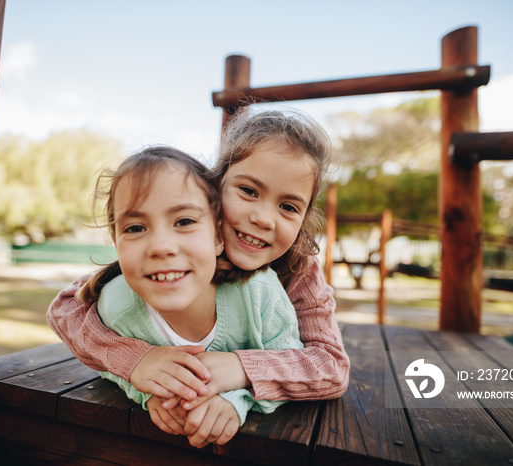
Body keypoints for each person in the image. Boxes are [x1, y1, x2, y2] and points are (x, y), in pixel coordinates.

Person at [47, 108, 350, 444]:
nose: (264, 218)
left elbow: (330, 366)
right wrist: (138, 362)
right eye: (249, 191)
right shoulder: (174, 250)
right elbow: (67, 307)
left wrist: (240, 371)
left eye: (289, 207)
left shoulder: (299, 270)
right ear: (215, 190)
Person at [76, 145, 304, 448]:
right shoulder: (116, 306)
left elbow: (292, 363)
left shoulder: (259, 293)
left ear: (218, 237)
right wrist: (146, 389)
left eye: (184, 222)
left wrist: (238, 398)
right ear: (116, 243)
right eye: (135, 227)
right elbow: (104, 364)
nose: (160, 246)